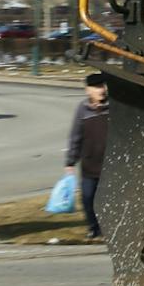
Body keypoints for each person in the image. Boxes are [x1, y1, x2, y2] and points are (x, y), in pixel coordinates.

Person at [64, 73, 109, 240]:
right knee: (88, 198)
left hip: (110, 165)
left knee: (108, 200)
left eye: (103, 86)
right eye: (97, 87)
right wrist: (70, 161)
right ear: (88, 90)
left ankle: (108, 229)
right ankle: (93, 228)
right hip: (89, 166)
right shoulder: (82, 110)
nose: (101, 90)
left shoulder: (113, 108)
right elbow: (75, 136)